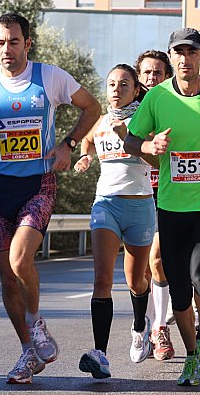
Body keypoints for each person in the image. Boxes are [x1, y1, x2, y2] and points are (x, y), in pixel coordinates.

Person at [0, 13, 100, 383]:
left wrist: (67, 144)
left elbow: (92, 106)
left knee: (20, 260)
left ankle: (36, 324)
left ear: (27, 43)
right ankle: (27, 353)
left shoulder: (49, 77)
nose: (7, 49)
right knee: (7, 279)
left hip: (38, 183)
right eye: (1, 42)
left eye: (14, 42)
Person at [124, 27, 200, 386]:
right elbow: (133, 140)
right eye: (178, 53)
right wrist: (150, 149)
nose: (184, 59)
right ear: (172, 57)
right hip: (172, 205)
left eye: (191, 52)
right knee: (178, 289)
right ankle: (193, 356)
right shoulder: (157, 98)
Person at [73, 64, 158, 378]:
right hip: (106, 204)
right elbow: (89, 142)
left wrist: (130, 140)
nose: (116, 89)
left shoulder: (144, 120)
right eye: (111, 83)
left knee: (137, 281)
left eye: (124, 84)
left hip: (139, 208)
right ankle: (101, 355)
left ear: (136, 89)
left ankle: (139, 326)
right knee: (101, 280)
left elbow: (158, 160)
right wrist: (85, 157)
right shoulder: (100, 120)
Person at [134, 50, 176, 361]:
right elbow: (98, 135)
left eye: (158, 73)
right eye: (146, 73)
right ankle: (144, 324)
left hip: (166, 193)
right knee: (139, 271)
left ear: (167, 76)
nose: (152, 78)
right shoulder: (126, 110)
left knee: (157, 258)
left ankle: (160, 327)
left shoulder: (173, 107)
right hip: (133, 195)